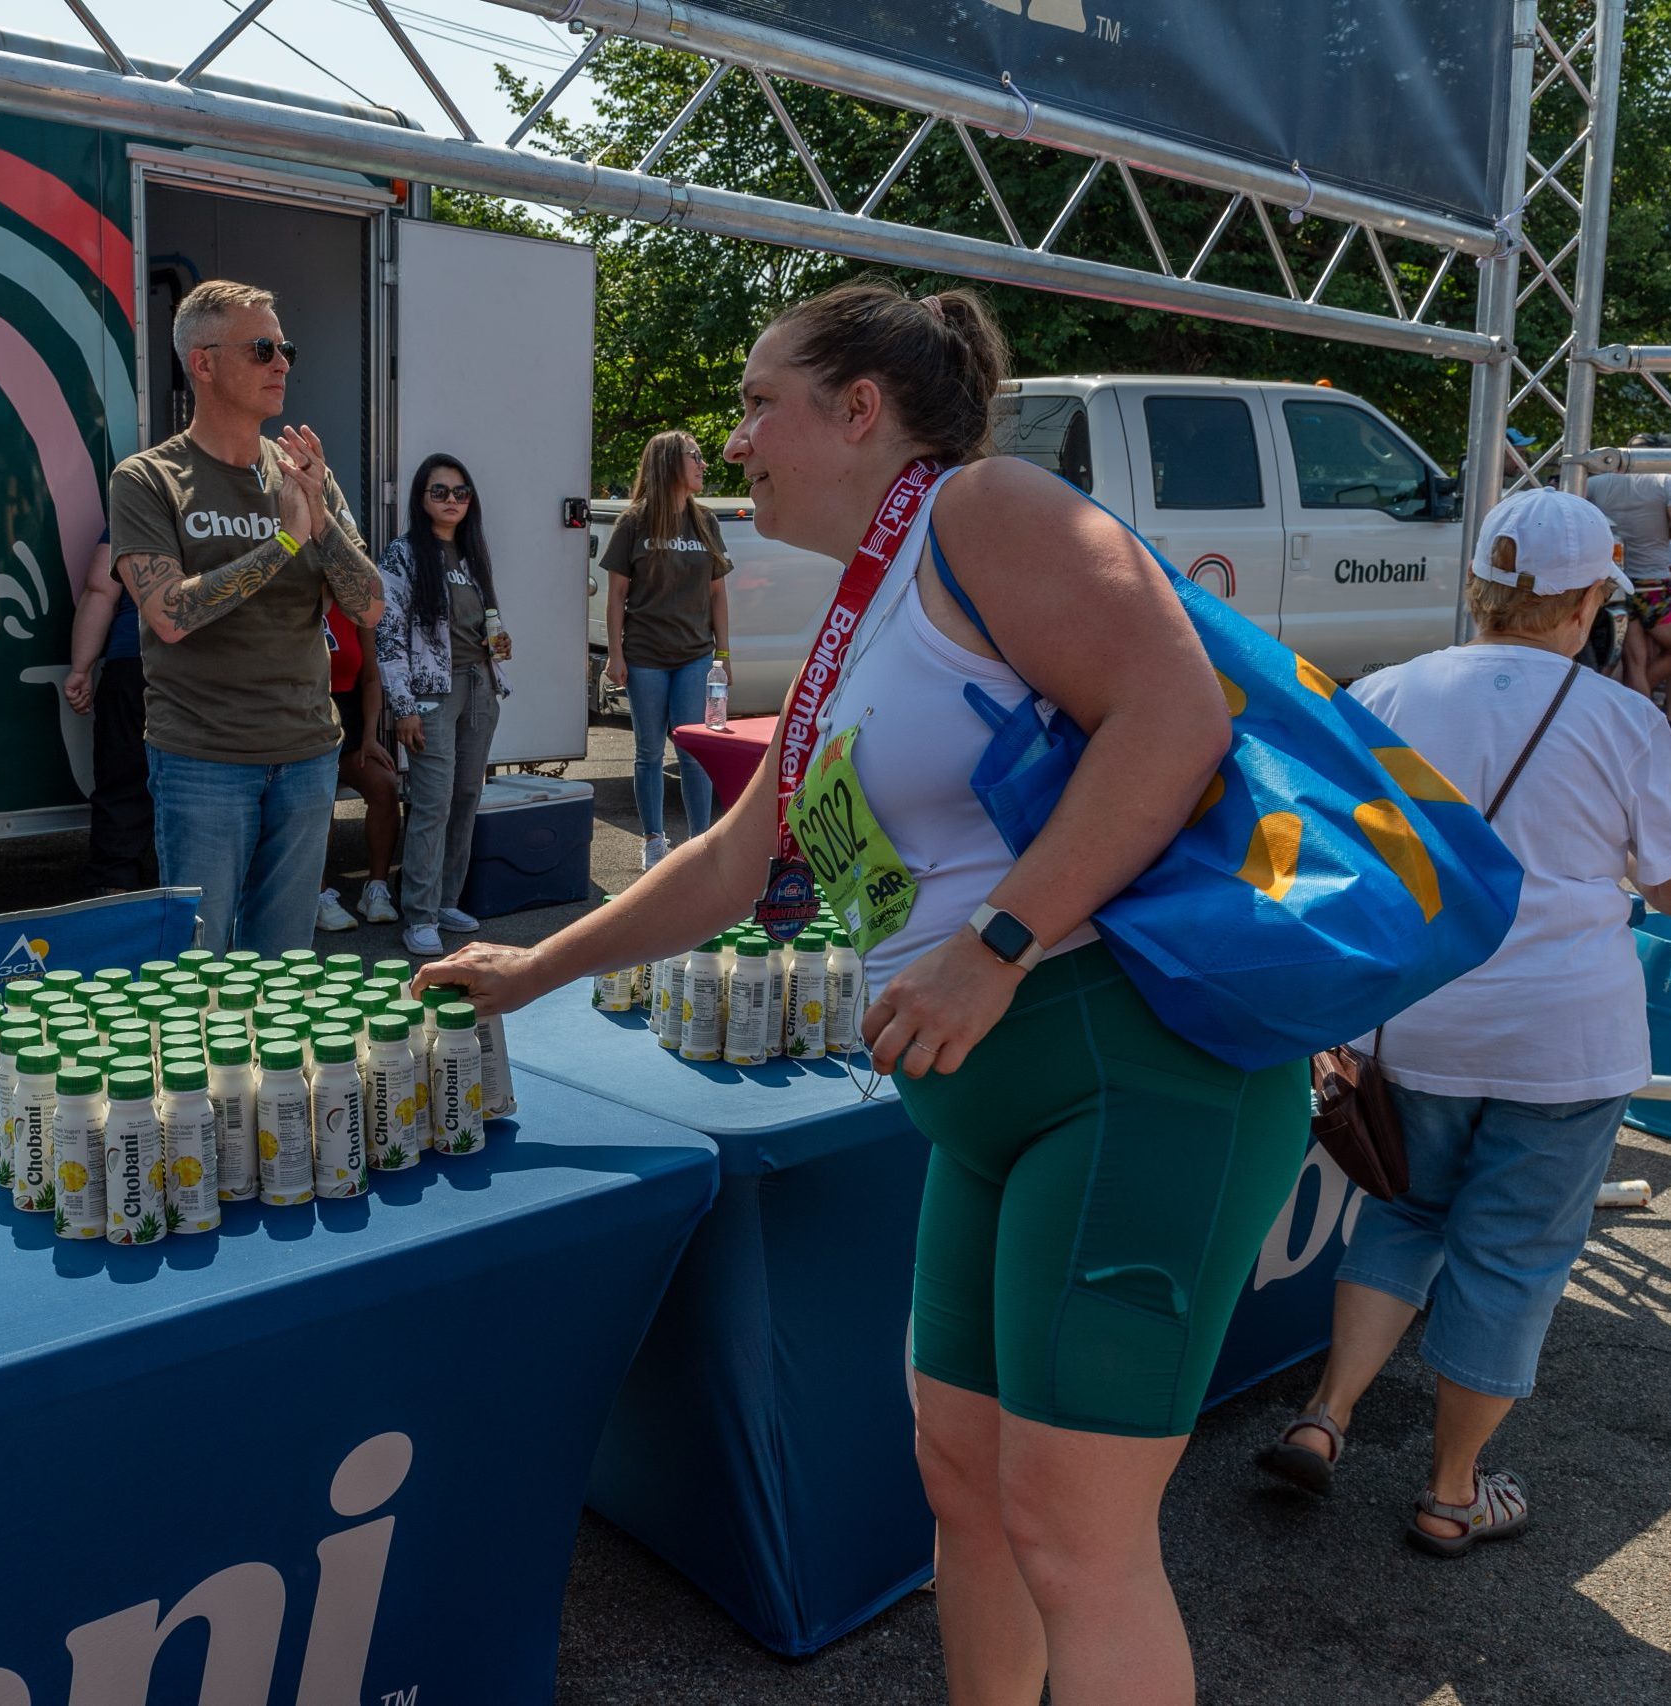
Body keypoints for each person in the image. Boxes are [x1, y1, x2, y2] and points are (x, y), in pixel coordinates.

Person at [422, 282, 1310, 1706]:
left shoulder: (984, 508)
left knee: (1077, 1543)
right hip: (985, 1109)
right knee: (962, 1487)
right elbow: (734, 856)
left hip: (1128, 1075)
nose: (737, 434)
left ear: (859, 411)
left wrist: (996, 943)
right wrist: (536, 967)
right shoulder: (857, 607)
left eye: (762, 398)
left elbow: (1175, 711)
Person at [1257, 488, 1671, 1557]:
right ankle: (1451, 1490)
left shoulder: (1386, 691)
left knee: (1402, 1216)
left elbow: (1313, 855)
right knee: (1516, 1253)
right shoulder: (1627, 721)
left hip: (1416, 1027)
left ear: (1480, 587)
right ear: (1586, 601)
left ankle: (1327, 1414)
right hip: (1565, 1041)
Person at [108, 279, 383, 956]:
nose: (282, 363)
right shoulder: (147, 478)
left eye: (285, 347)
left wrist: (320, 523)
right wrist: (283, 542)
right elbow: (170, 614)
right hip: (203, 757)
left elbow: (371, 603)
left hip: (307, 752)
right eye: (263, 348)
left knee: (283, 961)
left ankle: (271, 1070)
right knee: (199, 965)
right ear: (202, 363)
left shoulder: (302, 472)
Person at [374, 453, 512, 958]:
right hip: (432, 694)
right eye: (440, 491)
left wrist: (499, 645)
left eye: (460, 492)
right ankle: (421, 913)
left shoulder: (474, 553)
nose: (452, 500)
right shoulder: (404, 554)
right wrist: (402, 705)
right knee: (432, 802)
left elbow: (486, 619)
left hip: (480, 684)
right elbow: (386, 635)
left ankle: (446, 900)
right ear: (421, 498)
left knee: (464, 798)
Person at [602, 429, 733, 871]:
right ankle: (654, 841)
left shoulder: (705, 521)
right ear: (668, 463)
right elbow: (616, 593)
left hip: (695, 655)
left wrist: (725, 657)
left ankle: (701, 843)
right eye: (694, 456)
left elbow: (718, 594)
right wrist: (616, 655)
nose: (702, 464)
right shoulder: (634, 522)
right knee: (649, 751)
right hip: (645, 657)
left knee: (694, 750)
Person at [62, 529, 160, 894]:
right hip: (212, 663)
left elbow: (100, 589)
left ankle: (115, 890)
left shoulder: (135, 498)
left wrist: (80, 668)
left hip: (132, 662)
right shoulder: (235, 499)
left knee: (124, 776)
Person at [314, 599, 400, 930]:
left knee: (384, 784)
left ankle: (375, 888)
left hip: (348, 728)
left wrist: (369, 736)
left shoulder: (355, 606)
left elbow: (369, 676)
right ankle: (317, 893)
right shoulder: (296, 597)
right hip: (305, 727)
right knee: (320, 797)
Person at [1592, 434, 1671, 701]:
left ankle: (1633, 719)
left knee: (1634, 664)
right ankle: (1629, 705)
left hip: (1615, 586)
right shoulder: (1665, 480)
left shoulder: (1594, 483)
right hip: (1655, 585)